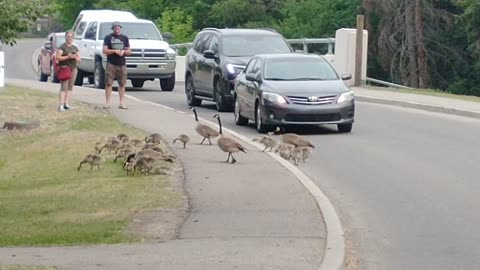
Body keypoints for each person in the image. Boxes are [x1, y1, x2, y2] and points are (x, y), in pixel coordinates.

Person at [102, 21, 131, 109]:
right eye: (115, 27)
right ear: (113, 28)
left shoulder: (125, 38)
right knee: (109, 83)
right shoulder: (108, 38)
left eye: (118, 27)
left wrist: (123, 52)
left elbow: (129, 51)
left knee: (122, 84)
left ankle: (122, 102)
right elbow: (104, 50)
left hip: (121, 63)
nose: (117, 29)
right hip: (111, 63)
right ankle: (107, 102)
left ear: (120, 28)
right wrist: (114, 51)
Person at [56, 31, 80, 111]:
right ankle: (61, 105)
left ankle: (66, 103)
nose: (69, 38)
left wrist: (75, 57)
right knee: (64, 87)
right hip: (64, 68)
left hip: (73, 68)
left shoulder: (75, 47)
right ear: (65, 37)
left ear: (73, 38)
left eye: (71, 37)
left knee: (70, 87)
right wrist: (67, 57)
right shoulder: (62, 47)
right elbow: (58, 58)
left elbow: (79, 59)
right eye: (68, 36)